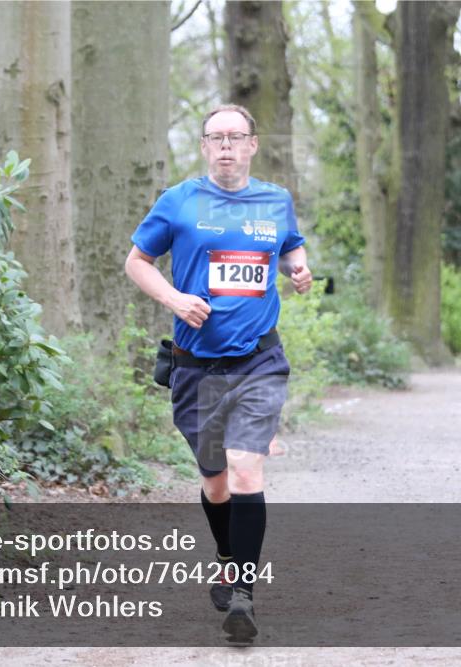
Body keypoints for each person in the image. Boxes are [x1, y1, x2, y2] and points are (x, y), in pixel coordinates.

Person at [124, 103, 311, 642]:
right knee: (214, 479)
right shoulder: (178, 201)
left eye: (236, 136)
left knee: (246, 468)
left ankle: (244, 595)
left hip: (259, 358)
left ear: (253, 144)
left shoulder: (275, 201)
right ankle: (227, 555)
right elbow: (137, 261)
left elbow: (290, 245)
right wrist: (176, 299)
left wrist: (298, 267)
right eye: (216, 137)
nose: (226, 146)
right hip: (194, 365)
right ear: (204, 147)